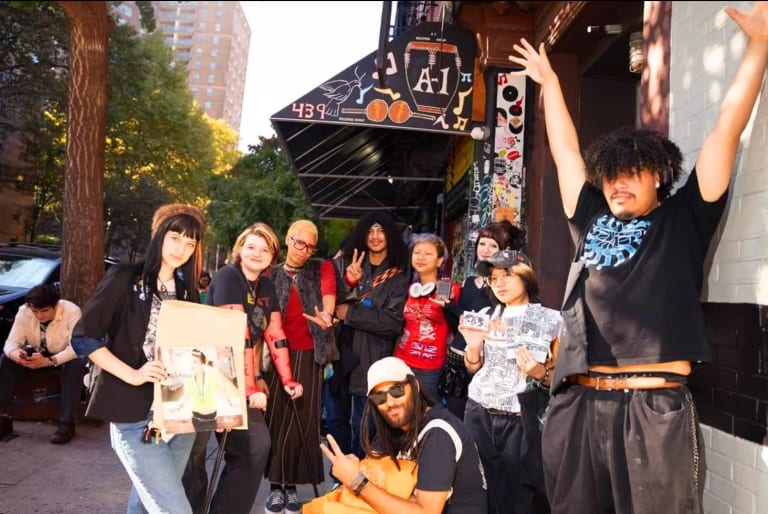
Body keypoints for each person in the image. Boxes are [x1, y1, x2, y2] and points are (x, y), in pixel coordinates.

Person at [508, 4, 768, 512]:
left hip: (652, 407)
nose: (617, 182)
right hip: (578, 401)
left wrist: (758, 47)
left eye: (631, 172)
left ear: (658, 176)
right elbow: (565, 153)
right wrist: (550, 85)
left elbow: (724, 134)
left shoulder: (684, 218)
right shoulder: (588, 214)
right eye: (609, 174)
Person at [71, 203, 206, 514]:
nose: (181, 249)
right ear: (159, 235)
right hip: (133, 416)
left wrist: (218, 400)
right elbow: (83, 336)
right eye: (175, 237)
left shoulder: (186, 290)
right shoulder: (124, 277)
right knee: (174, 509)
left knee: (147, 504)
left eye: (190, 243)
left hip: (178, 414)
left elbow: (193, 349)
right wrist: (132, 374)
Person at [183, 221, 303, 514]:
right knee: (193, 457)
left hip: (241, 380)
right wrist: (249, 389)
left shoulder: (266, 285)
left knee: (256, 447)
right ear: (240, 249)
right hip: (208, 377)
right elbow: (236, 337)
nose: (256, 253)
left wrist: (288, 379)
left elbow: (275, 333)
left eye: (264, 249)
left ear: (272, 256)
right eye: (251, 246)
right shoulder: (227, 276)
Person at [460, 250, 562, 514]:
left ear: (525, 275)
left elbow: (563, 379)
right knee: (479, 492)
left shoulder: (552, 320)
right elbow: (474, 368)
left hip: (521, 417)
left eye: (507, 275)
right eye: (494, 279)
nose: (500, 283)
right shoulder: (485, 314)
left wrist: (540, 373)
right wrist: (472, 349)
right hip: (479, 411)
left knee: (518, 498)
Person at [316, 356, 488, 513]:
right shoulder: (392, 429)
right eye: (379, 397)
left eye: (397, 390)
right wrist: (357, 469)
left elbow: (426, 512)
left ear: (415, 386)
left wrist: (358, 481)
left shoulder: (438, 434)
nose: (390, 402)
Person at [264, 219, 337, 514]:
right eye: (299, 243)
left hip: (310, 353)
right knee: (276, 418)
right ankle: (275, 486)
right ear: (288, 238)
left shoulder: (322, 268)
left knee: (301, 423)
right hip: (275, 353)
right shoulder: (270, 271)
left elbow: (330, 295)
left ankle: (291, 486)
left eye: (310, 245)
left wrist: (327, 316)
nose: (304, 250)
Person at [329, 211, 409, 459]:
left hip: (371, 361)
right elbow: (331, 304)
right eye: (370, 231)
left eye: (380, 231)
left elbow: (392, 323)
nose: (375, 237)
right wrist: (348, 281)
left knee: (365, 426)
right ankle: (341, 476)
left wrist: (350, 314)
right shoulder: (348, 266)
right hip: (339, 356)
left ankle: (361, 481)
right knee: (334, 420)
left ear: (390, 236)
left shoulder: (398, 278)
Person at [441, 221, 523, 418]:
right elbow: (460, 324)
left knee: (479, 421)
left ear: (505, 251)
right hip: (457, 360)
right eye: (482, 244)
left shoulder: (503, 288)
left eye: (493, 245)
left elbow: (488, 322)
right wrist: (447, 305)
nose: (486, 250)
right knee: (455, 418)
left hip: (485, 363)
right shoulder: (469, 282)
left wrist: (454, 308)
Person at [0, 284, 84, 444]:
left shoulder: (72, 311)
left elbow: (77, 347)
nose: (39, 315)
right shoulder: (24, 311)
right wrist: (16, 354)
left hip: (66, 354)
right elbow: (11, 343)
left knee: (75, 364)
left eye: (44, 311)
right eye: (35, 311)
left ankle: (67, 424)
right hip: (41, 352)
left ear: (55, 305)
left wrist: (50, 361)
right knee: (6, 359)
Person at [394, 233, 461, 402]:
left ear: (440, 261)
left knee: (427, 413)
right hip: (402, 360)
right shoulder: (408, 288)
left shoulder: (450, 289)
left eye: (428, 253)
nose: (421, 258)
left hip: (431, 366)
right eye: (417, 252)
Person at [174, 349, 220, 432]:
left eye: (195, 362)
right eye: (191, 363)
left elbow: (221, 392)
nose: (192, 365)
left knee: (204, 441)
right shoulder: (190, 380)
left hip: (212, 416)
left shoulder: (212, 377)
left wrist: (232, 404)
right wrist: (178, 407)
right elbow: (188, 395)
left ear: (202, 363)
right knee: (198, 444)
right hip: (197, 418)